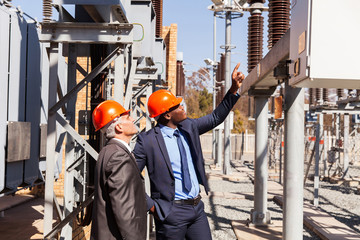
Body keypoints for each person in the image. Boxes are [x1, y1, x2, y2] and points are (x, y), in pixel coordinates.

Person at [133, 63, 245, 240]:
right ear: (167, 115)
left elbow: (215, 117)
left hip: (196, 209)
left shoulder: (188, 127)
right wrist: (151, 206)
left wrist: (233, 90)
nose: (182, 107)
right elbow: (130, 176)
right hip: (170, 213)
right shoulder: (147, 141)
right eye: (177, 106)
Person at [90, 100, 147, 240]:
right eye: (128, 117)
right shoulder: (118, 156)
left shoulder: (108, 151)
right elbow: (124, 210)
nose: (133, 119)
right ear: (119, 127)